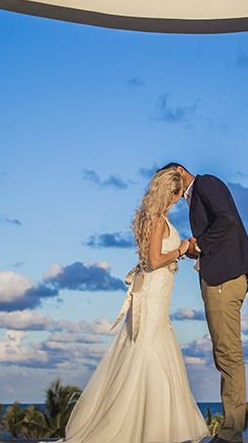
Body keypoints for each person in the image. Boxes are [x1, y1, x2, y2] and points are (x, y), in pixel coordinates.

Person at [60, 166, 209, 443]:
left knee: (151, 346)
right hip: (152, 292)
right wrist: (181, 248)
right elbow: (154, 260)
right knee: (148, 348)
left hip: (158, 291)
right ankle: (146, 428)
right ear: (171, 193)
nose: (180, 199)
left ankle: (152, 425)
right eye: (178, 194)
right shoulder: (158, 220)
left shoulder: (156, 218)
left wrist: (181, 252)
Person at [160, 163, 248, 443]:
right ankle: (232, 430)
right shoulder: (194, 196)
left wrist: (199, 245)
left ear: (180, 171)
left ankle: (231, 433)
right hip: (219, 277)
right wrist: (198, 252)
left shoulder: (205, 183)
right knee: (223, 353)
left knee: (228, 354)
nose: (168, 190)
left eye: (168, 181)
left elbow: (227, 218)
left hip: (224, 279)